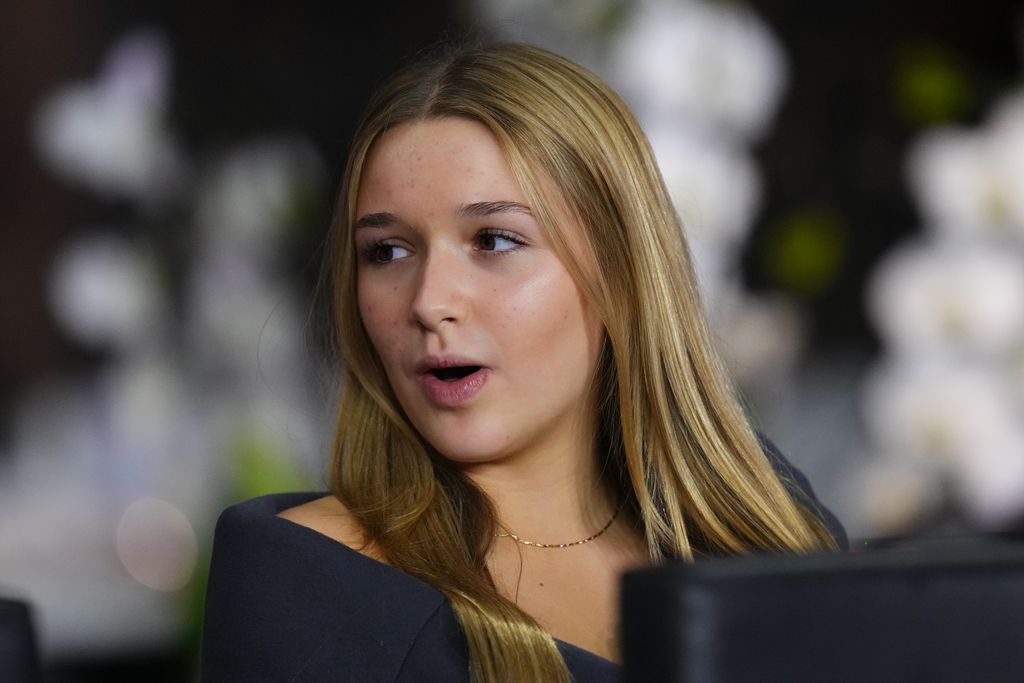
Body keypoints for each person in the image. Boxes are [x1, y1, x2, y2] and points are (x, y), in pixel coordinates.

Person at [199, 41, 846, 683]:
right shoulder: (310, 576)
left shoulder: (763, 522)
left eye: (495, 240)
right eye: (388, 252)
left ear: (621, 273)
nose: (429, 302)